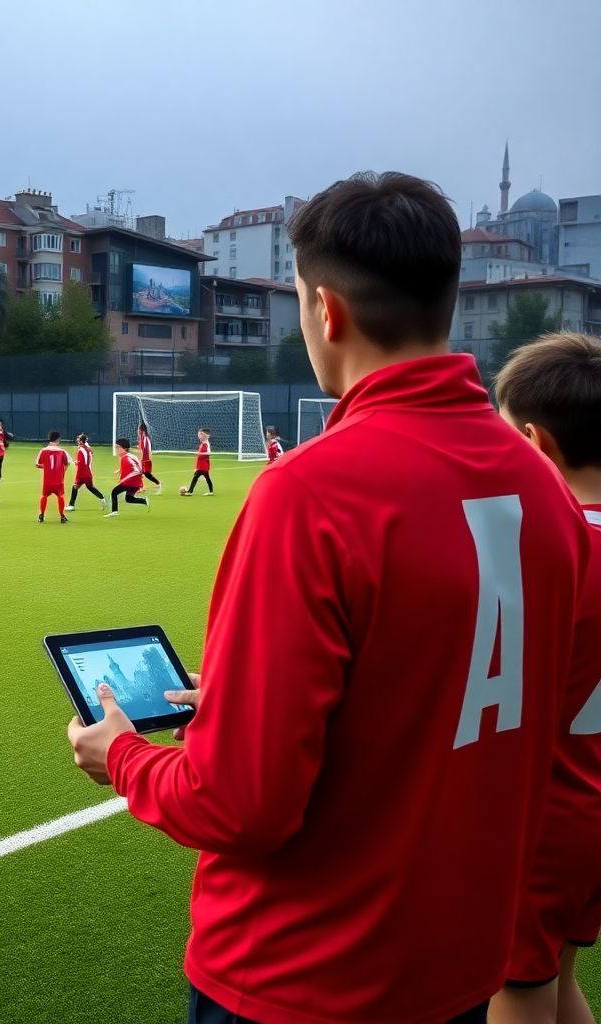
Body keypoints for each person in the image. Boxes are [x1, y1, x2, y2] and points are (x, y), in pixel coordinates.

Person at [67, 172, 589, 1024]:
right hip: (460, 968)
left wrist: (120, 756)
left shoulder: (310, 492)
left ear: (324, 312)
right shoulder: (543, 486)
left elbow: (241, 804)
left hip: (300, 979)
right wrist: (253, 701)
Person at [489, 332, 601, 1024]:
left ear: (535, 443)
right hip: (590, 807)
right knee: (557, 982)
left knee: (514, 993)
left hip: (538, 820)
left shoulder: (548, 552)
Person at [106, 438, 149, 517]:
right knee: (129, 499)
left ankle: (114, 511)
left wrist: (124, 479)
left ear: (125, 448)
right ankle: (144, 501)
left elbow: (137, 471)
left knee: (114, 492)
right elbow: (138, 466)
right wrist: (120, 470)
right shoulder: (130, 456)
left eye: (118, 447)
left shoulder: (126, 458)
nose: (116, 449)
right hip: (136, 483)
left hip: (130, 483)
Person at [36, 430, 71, 524]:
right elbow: (67, 463)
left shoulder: (43, 451)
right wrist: (62, 471)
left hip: (47, 480)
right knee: (61, 496)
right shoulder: (62, 451)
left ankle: (41, 516)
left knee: (44, 496)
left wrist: (46, 467)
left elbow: (37, 464)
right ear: (58, 439)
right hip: (58, 480)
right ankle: (62, 517)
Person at [66, 433, 106, 511]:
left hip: (82, 473)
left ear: (81, 441)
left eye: (79, 438)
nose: (77, 439)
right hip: (88, 473)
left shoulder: (80, 450)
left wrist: (75, 463)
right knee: (90, 487)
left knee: (75, 487)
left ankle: (71, 505)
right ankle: (102, 498)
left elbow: (81, 463)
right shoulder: (87, 449)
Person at [183, 428, 213, 495]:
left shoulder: (206, 444)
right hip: (201, 465)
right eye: (199, 435)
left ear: (205, 436)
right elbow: (200, 454)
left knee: (197, 478)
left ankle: (190, 491)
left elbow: (208, 453)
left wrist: (200, 454)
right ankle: (210, 491)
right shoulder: (202, 444)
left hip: (204, 466)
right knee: (206, 478)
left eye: (201, 435)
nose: (199, 436)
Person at [138, 421, 161, 493]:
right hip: (144, 459)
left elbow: (147, 450)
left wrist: (143, 458)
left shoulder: (146, 438)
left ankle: (142, 487)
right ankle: (142, 487)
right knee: (144, 473)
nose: (138, 431)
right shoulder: (142, 438)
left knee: (143, 473)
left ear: (142, 430)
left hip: (145, 459)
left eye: (139, 429)